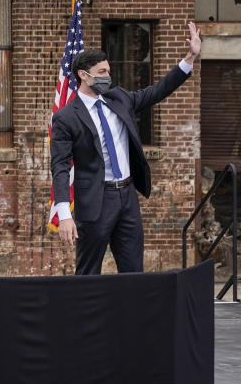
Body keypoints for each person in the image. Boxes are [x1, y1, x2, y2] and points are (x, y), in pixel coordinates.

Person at [51, 22, 201, 275]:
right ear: (83, 75)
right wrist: (64, 213)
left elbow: (157, 91)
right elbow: (60, 167)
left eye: (108, 71)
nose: (107, 77)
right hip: (97, 200)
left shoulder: (118, 98)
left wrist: (189, 58)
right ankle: (85, 315)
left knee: (133, 272)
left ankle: (131, 315)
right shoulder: (67, 117)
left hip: (127, 196)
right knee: (88, 272)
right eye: (101, 72)